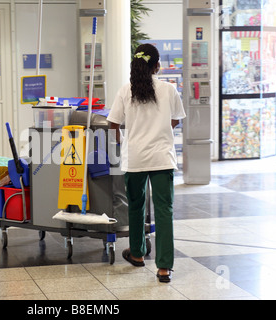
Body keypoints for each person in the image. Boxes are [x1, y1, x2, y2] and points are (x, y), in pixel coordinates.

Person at [107, 43, 186, 283]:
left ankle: (138, 254)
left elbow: (113, 124)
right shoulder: (169, 90)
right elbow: (176, 120)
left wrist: (124, 143)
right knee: (164, 211)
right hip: (162, 157)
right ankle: (163, 267)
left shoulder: (125, 90)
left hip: (136, 158)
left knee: (135, 206)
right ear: (157, 65)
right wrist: (160, 131)